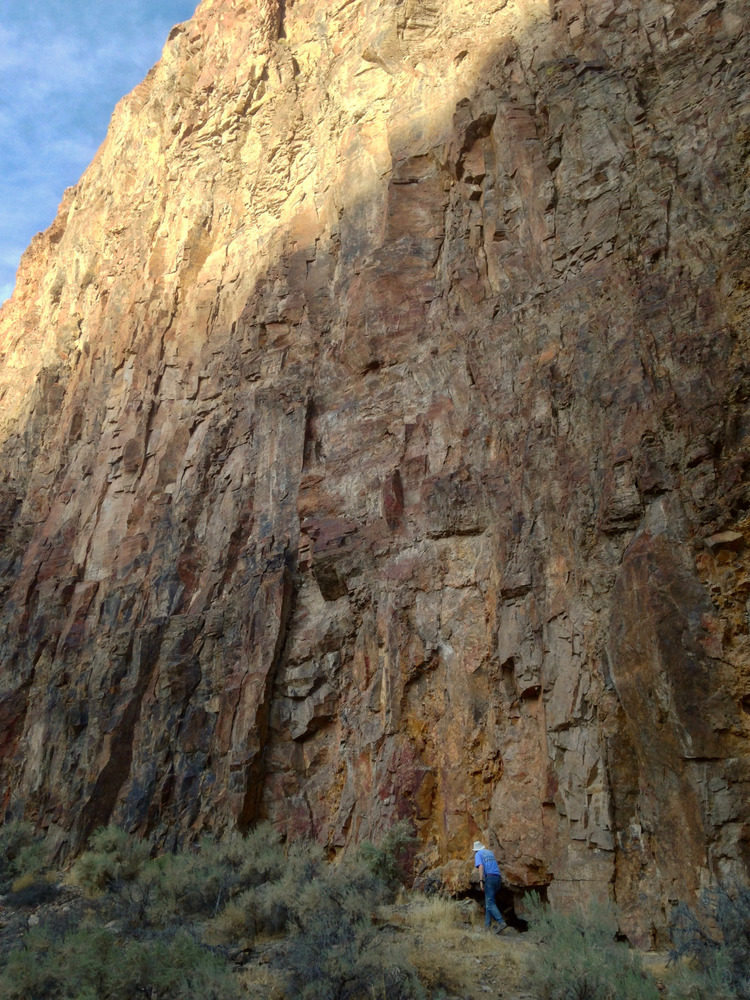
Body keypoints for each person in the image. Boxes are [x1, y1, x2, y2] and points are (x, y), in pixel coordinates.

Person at [473, 840, 507, 933]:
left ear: (475, 850)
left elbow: (481, 866)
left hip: (490, 878)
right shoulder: (490, 853)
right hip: (498, 878)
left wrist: (480, 881)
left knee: (490, 903)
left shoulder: (478, 854)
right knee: (489, 902)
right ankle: (487, 927)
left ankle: (501, 922)